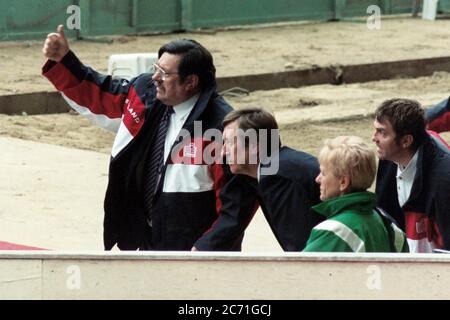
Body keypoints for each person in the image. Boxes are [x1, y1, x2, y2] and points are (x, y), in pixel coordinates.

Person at [42, 25, 255, 251]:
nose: (155, 77)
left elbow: (239, 207)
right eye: (156, 68)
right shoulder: (145, 91)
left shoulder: (224, 130)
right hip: (142, 238)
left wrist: (205, 249)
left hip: (193, 251)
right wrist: (64, 60)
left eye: (164, 74)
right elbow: (100, 94)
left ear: (191, 82)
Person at [209, 107, 322, 251]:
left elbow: (300, 249)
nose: (223, 152)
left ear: (256, 146)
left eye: (230, 142)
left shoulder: (277, 176)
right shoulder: (281, 165)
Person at [303, 136, 407, 252]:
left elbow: (300, 270)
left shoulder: (331, 233)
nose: (318, 179)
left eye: (323, 173)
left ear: (343, 182)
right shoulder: (390, 226)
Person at [373, 98, 450, 252]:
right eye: (375, 130)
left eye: (382, 132)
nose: (374, 138)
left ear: (406, 141)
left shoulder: (444, 180)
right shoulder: (389, 158)